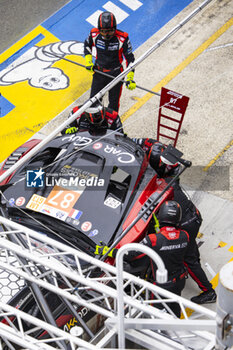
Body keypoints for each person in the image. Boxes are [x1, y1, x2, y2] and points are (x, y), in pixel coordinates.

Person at [135, 137, 217, 304]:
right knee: (191, 252)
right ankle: (195, 259)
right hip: (191, 216)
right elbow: (152, 144)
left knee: (189, 259)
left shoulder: (162, 184)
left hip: (186, 223)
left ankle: (209, 292)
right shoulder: (172, 169)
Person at [96, 200, 189, 318]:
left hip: (162, 285)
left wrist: (107, 251)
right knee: (175, 306)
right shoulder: (185, 236)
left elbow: (130, 255)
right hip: (179, 281)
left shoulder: (153, 239)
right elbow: (170, 241)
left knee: (155, 314)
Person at [84, 11, 136, 112]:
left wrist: (130, 77)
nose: (106, 34)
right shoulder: (94, 34)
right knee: (94, 102)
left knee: (113, 104)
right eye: (103, 31)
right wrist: (88, 61)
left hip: (116, 75)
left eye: (110, 31)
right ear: (99, 29)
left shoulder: (123, 38)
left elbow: (130, 59)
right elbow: (87, 45)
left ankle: (112, 125)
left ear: (115, 28)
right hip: (99, 72)